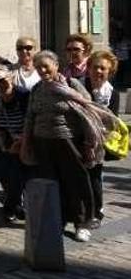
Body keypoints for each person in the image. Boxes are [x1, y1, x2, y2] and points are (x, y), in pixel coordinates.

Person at [22, 50, 104, 242]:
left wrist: (89, 143)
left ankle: (82, 223)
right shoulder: (36, 89)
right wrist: (26, 141)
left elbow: (88, 112)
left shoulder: (71, 84)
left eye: (46, 66)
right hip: (43, 143)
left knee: (75, 182)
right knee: (51, 184)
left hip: (69, 142)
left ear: (56, 66)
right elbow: (30, 117)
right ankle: (57, 220)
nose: (42, 70)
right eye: (38, 67)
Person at [0, 65, 30, 223]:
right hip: (8, 140)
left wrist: (20, 143)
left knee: (18, 173)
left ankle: (12, 207)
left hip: (27, 139)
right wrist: (5, 146)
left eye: (1, 80)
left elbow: (30, 123)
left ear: (11, 78)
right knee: (6, 172)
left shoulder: (24, 96)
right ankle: (15, 206)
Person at [83, 50, 120, 227]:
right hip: (76, 139)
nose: (99, 72)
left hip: (98, 142)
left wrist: (96, 141)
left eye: (103, 69)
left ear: (110, 72)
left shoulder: (113, 94)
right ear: (88, 68)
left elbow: (112, 122)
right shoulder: (79, 86)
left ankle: (96, 212)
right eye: (95, 67)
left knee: (94, 177)